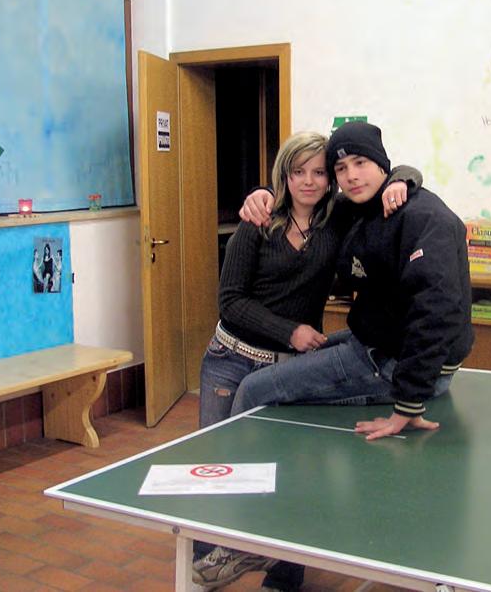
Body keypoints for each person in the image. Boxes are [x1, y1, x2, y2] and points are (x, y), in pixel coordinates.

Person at [192, 130, 421, 591]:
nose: (310, 181)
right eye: (299, 172)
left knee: (291, 472)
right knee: (221, 469)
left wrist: (404, 180)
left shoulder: (339, 220)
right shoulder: (257, 223)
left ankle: (283, 576)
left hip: (288, 369)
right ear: (285, 175)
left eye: (320, 172)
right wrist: (290, 331)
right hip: (230, 360)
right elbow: (230, 301)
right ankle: (206, 562)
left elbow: (391, 175)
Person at [232, 121, 474, 440]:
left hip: (393, 366)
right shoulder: (358, 208)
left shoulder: (425, 218)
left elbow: (437, 313)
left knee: (253, 389)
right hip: (374, 342)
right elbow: (301, 194)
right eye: (341, 168)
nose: (352, 176)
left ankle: (237, 467)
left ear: (381, 164)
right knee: (291, 372)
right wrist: (263, 193)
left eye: (360, 163)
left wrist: (408, 404)